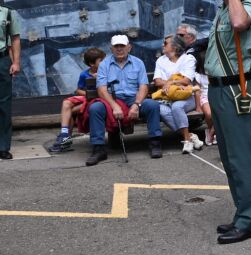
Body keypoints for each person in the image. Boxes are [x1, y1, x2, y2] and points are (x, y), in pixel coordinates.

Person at [204, 0, 251, 244]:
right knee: (229, 160)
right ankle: (243, 214)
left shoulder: (246, 5)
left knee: (242, 159)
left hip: (236, 90)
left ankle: (250, 221)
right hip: (218, 90)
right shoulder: (223, 9)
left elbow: (239, 23)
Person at [85, 35, 163, 166]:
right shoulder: (104, 65)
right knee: (95, 108)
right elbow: (102, 90)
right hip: (113, 99)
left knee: (152, 105)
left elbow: (144, 87)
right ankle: (98, 149)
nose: (119, 49)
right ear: (111, 48)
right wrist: (114, 106)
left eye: (122, 46)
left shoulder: (138, 63)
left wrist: (136, 104)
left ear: (129, 47)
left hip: (134, 98)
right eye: (116, 46)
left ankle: (155, 143)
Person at [49, 47, 106, 153]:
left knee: (70, 111)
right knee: (66, 103)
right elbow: (79, 90)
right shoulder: (84, 74)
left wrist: (99, 79)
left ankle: (64, 139)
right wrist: (88, 94)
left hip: (100, 100)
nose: (104, 62)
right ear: (92, 64)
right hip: (87, 98)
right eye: (101, 60)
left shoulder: (106, 72)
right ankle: (65, 135)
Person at [153, 35, 202, 154]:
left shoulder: (188, 59)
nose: (163, 45)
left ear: (175, 47)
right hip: (166, 98)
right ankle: (190, 136)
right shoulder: (161, 60)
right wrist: (174, 83)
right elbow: (157, 81)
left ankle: (187, 141)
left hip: (186, 97)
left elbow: (186, 81)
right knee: (161, 110)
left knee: (176, 107)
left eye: (165, 43)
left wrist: (170, 83)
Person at [0, 0, 20, 160]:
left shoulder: (7, 12)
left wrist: (16, 62)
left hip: (2, 60)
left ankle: (3, 147)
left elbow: (15, 38)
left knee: (4, 105)